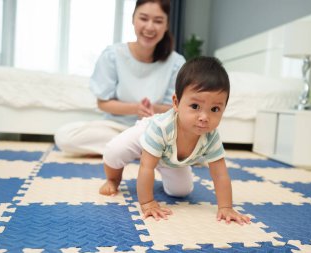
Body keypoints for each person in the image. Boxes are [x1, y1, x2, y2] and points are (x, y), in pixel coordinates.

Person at [100, 56, 251, 225]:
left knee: (182, 191)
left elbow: (220, 174)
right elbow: (146, 166)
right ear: (176, 103)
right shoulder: (161, 127)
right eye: (195, 106)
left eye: (215, 109)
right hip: (147, 134)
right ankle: (113, 179)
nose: (204, 117)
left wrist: (225, 207)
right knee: (115, 150)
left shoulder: (211, 136)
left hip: (170, 157)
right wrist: (147, 202)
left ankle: (162, 164)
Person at [54, 0, 186, 155]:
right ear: (133, 19)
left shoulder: (176, 63)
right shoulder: (113, 55)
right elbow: (103, 103)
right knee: (65, 136)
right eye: (143, 18)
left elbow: (175, 107)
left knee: (196, 144)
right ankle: (146, 151)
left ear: (166, 25)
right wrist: (136, 108)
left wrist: (153, 109)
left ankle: (128, 150)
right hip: (116, 128)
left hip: (156, 129)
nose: (150, 27)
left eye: (158, 21)